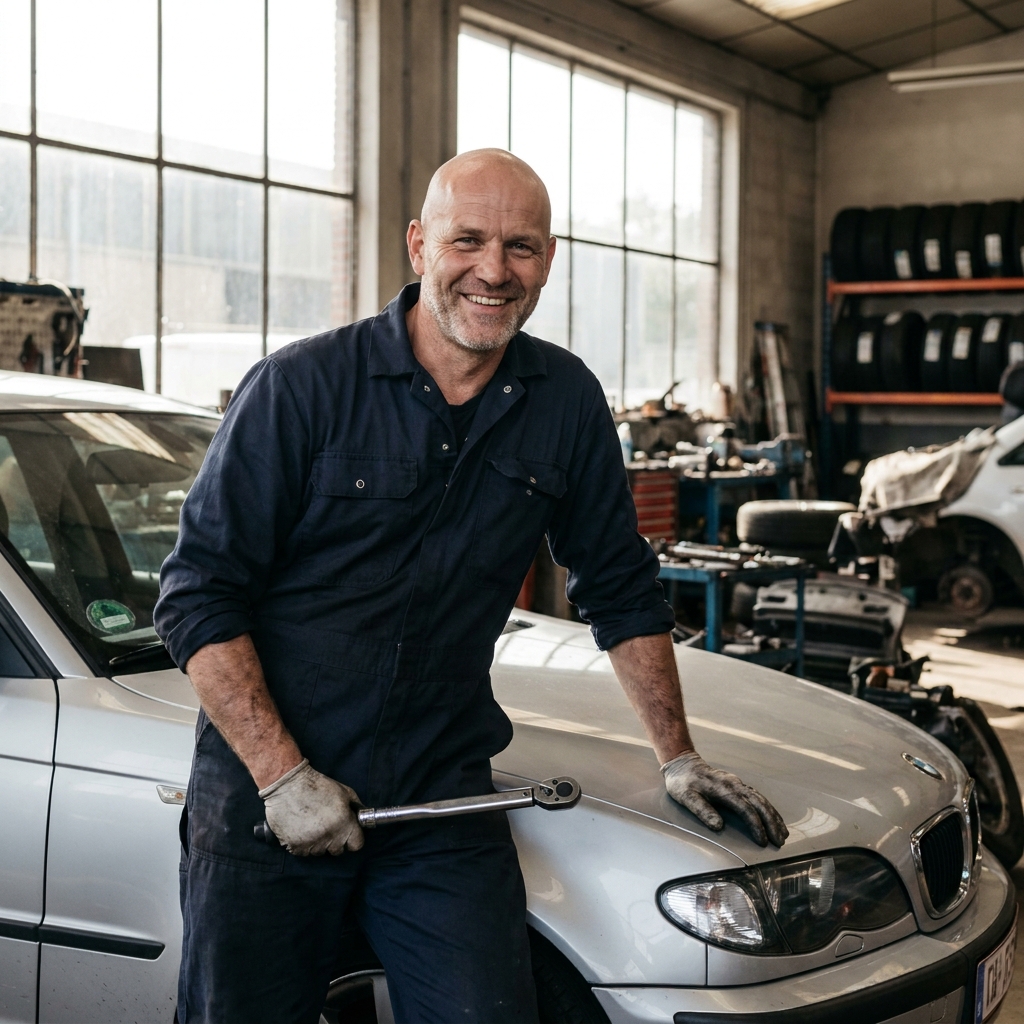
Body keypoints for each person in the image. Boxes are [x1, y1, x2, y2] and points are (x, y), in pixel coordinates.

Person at [155, 148, 788, 1024]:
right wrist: (279, 773)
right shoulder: (301, 388)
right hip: (266, 804)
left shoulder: (564, 400)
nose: (493, 271)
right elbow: (196, 593)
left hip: (439, 797)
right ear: (419, 246)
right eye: (468, 241)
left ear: (550, 260)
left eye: (521, 247)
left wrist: (676, 754)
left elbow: (619, 583)